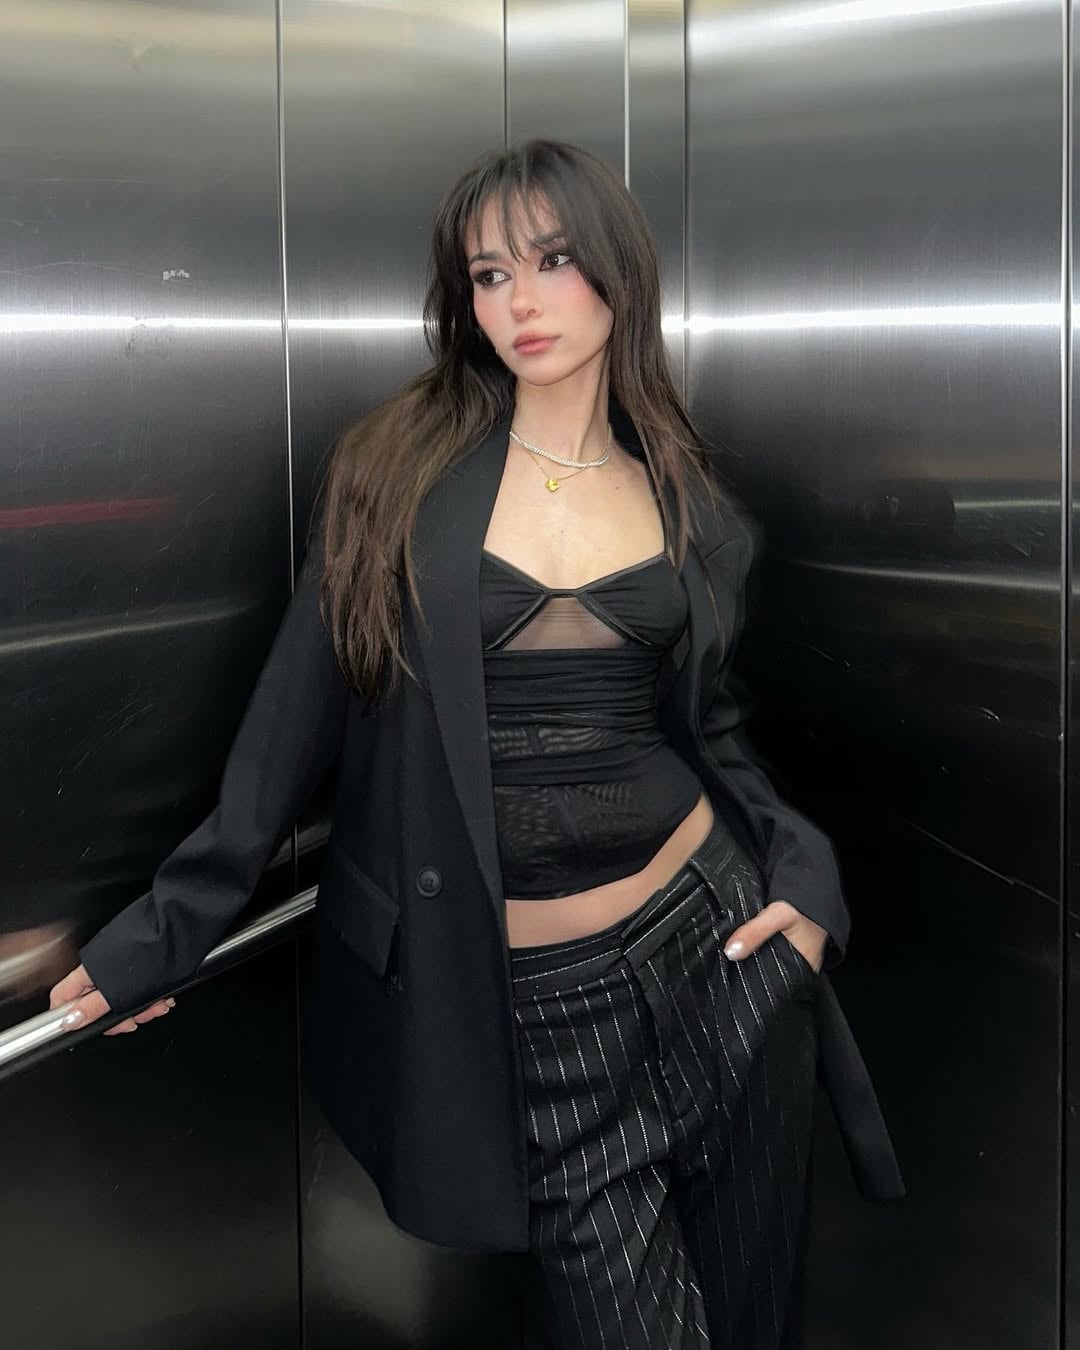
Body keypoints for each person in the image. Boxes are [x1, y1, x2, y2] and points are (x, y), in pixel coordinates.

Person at [50, 140, 902, 1349]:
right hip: (531, 1010)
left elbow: (711, 731)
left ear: (617, 270)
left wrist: (803, 880)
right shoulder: (397, 472)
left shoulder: (686, 497)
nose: (520, 302)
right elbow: (290, 725)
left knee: (756, 1319)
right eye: (490, 275)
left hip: (721, 957)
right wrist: (169, 930)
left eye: (551, 261)